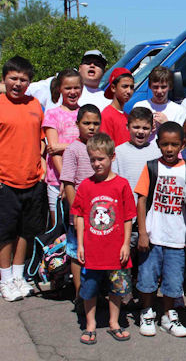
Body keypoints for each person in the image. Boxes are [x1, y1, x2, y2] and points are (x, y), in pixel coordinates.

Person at [0, 56, 46, 302]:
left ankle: (18, 275)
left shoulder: (35, 104)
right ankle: (5, 279)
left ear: (29, 82)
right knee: (4, 233)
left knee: (26, 231)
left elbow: (41, 138)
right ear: (4, 79)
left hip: (31, 179)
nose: (18, 83)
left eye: (23, 79)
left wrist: (43, 163)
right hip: (2, 180)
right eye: (13, 78)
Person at [71, 133, 136, 344]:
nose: (97, 164)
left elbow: (128, 217)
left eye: (101, 159)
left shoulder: (122, 185)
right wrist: (80, 244)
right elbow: (79, 215)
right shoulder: (86, 186)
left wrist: (126, 244)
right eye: (93, 159)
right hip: (92, 250)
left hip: (116, 250)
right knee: (89, 288)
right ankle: (90, 325)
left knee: (117, 288)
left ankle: (114, 322)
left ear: (112, 157)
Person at [133, 122, 186, 339]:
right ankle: (147, 312)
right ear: (158, 144)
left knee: (173, 280)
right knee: (148, 278)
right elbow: (141, 201)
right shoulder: (151, 167)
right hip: (153, 235)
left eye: (174, 144)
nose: (169, 149)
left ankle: (169, 315)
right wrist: (142, 232)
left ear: (182, 145)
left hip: (178, 237)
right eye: (165, 144)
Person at [0, 50, 109, 111]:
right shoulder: (55, 82)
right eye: (88, 62)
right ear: (80, 67)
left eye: (98, 64)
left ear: (103, 71)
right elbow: (21, 88)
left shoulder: (106, 100)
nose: (92, 66)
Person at [60, 104, 102, 296]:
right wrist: (78, 212)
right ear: (78, 124)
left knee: (96, 253)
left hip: (100, 214)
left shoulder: (102, 149)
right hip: (79, 215)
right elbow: (68, 183)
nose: (91, 127)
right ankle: (79, 293)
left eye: (95, 123)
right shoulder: (73, 150)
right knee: (77, 254)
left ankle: (95, 292)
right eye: (87, 123)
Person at [42, 69, 83, 228]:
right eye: (68, 88)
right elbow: (53, 150)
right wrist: (66, 181)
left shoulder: (85, 113)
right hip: (56, 179)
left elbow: (89, 146)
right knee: (58, 226)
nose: (72, 92)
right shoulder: (52, 114)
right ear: (60, 89)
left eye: (76, 88)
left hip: (82, 178)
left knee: (80, 223)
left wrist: (63, 146)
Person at [112, 107, 160, 205]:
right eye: (136, 127)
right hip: (125, 206)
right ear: (127, 127)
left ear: (152, 129)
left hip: (149, 209)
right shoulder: (118, 152)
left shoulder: (157, 153)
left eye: (145, 128)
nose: (141, 132)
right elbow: (113, 182)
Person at [132, 66, 186, 140]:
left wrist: (167, 124)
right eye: (155, 87)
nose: (159, 91)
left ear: (170, 87)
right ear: (149, 86)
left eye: (163, 87)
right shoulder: (140, 106)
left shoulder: (180, 111)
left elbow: (182, 138)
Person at [100, 68, 135, 146]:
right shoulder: (107, 115)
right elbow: (105, 148)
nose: (129, 91)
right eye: (125, 86)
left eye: (131, 87)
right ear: (113, 88)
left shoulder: (127, 116)